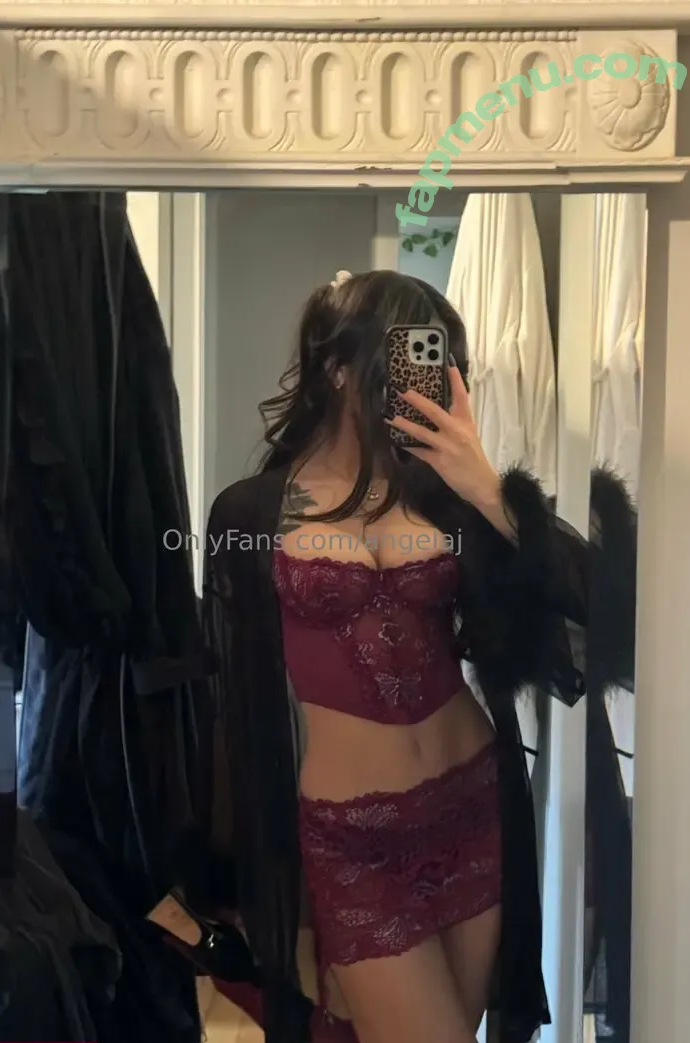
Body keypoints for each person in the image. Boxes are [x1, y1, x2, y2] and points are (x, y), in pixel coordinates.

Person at [196, 269, 591, 1043]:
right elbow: (230, 698)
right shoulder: (250, 512)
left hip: (472, 803)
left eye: (439, 361)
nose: (424, 381)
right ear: (339, 368)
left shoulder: (447, 495)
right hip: (352, 838)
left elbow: (590, 605)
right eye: (404, 357)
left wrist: (489, 491)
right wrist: (246, 877)